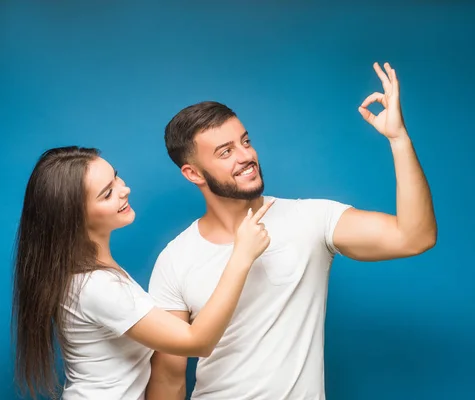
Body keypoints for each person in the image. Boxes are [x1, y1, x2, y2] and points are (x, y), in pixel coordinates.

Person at [146, 61, 437, 399]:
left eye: (245, 141)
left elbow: (415, 237)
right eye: (226, 152)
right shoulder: (176, 258)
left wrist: (398, 139)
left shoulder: (312, 219)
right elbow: (168, 376)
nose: (246, 156)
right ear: (193, 174)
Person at [11, 146, 275, 400]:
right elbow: (198, 342)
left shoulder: (90, 274)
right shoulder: (96, 285)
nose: (125, 190)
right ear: (75, 216)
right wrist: (241, 257)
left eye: (115, 177)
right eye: (107, 194)